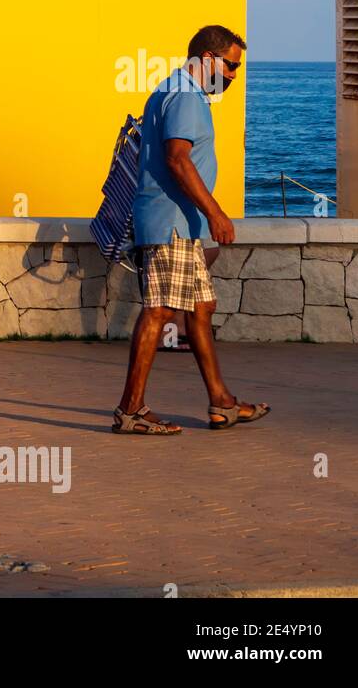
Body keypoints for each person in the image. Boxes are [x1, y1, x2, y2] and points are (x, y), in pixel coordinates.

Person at [113, 25, 271, 434]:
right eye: (232, 65)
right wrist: (216, 213)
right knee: (160, 310)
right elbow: (178, 160)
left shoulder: (174, 91)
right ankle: (131, 411)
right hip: (172, 225)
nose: (235, 75)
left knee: (200, 310)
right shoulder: (184, 96)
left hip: (179, 223)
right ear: (207, 59)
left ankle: (222, 403)